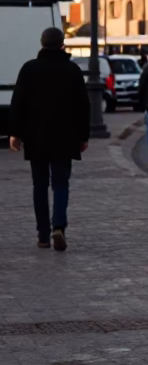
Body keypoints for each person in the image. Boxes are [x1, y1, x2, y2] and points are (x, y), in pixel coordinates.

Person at [9, 27, 90, 251]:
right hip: (65, 138)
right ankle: (59, 226)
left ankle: (43, 235)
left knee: (40, 185)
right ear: (62, 44)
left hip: (37, 137)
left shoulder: (29, 69)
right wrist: (83, 136)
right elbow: (83, 106)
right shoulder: (72, 70)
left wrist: (15, 133)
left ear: (42, 44)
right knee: (61, 184)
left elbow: (18, 103)